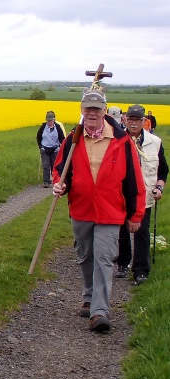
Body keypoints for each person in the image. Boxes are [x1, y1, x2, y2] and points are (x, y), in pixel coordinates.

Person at [52, 89, 146, 333]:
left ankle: (100, 311)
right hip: (81, 209)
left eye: (97, 109)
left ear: (105, 110)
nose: (92, 113)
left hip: (110, 211)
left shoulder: (121, 141)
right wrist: (60, 185)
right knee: (85, 257)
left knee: (104, 259)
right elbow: (61, 169)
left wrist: (136, 215)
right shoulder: (74, 138)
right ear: (82, 111)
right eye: (87, 109)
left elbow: (134, 181)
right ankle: (89, 295)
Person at [115, 104, 168, 284]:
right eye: (131, 119)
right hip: (121, 195)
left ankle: (140, 270)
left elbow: (163, 170)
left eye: (138, 120)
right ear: (125, 120)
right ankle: (122, 263)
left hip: (145, 195)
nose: (134, 123)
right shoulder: (117, 140)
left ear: (144, 121)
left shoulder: (155, 142)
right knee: (122, 230)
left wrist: (159, 188)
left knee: (142, 232)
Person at [36, 111, 65, 188]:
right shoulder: (42, 127)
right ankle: (46, 182)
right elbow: (38, 137)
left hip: (55, 149)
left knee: (54, 166)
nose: (49, 122)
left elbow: (62, 138)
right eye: (48, 120)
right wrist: (40, 147)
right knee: (45, 165)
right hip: (45, 149)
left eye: (51, 120)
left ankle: (55, 181)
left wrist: (63, 147)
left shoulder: (58, 127)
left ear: (54, 120)